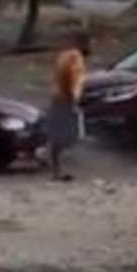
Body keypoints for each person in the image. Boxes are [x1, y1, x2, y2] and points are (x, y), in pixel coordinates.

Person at [47, 48, 86, 181]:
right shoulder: (73, 80)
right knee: (66, 139)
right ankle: (60, 170)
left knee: (58, 142)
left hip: (60, 108)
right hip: (66, 110)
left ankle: (57, 170)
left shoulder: (58, 85)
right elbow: (75, 96)